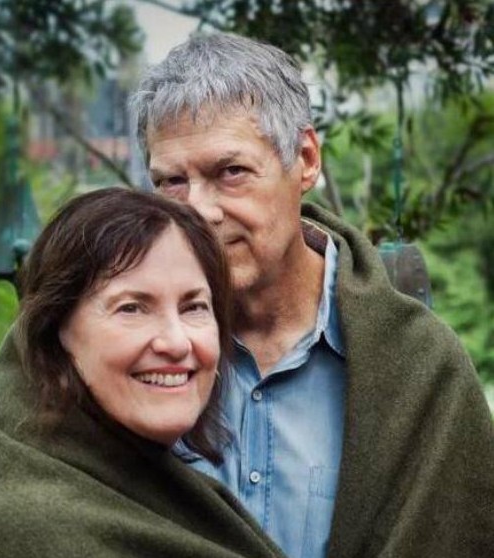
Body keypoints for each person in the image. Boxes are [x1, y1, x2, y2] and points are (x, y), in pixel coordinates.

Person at [130, 32, 494, 558]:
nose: (199, 212)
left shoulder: (420, 366)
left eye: (230, 172)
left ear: (305, 159)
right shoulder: (121, 349)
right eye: (172, 182)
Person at [0, 188, 287, 558]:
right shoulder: (12, 529)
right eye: (132, 308)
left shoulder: (155, 486)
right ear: (56, 330)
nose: (176, 342)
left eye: (193, 307)